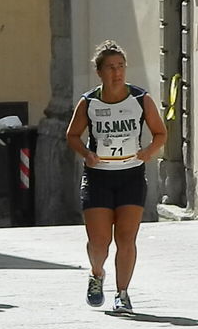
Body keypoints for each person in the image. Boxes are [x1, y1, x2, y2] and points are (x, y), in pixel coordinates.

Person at [66, 40, 166, 313]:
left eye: (120, 66)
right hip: (98, 177)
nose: (117, 72)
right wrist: (86, 154)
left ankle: (122, 294)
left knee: (126, 238)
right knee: (100, 242)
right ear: (99, 72)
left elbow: (161, 133)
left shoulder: (139, 99)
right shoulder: (89, 102)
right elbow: (72, 135)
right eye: (110, 67)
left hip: (131, 175)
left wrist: (148, 151)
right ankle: (96, 273)